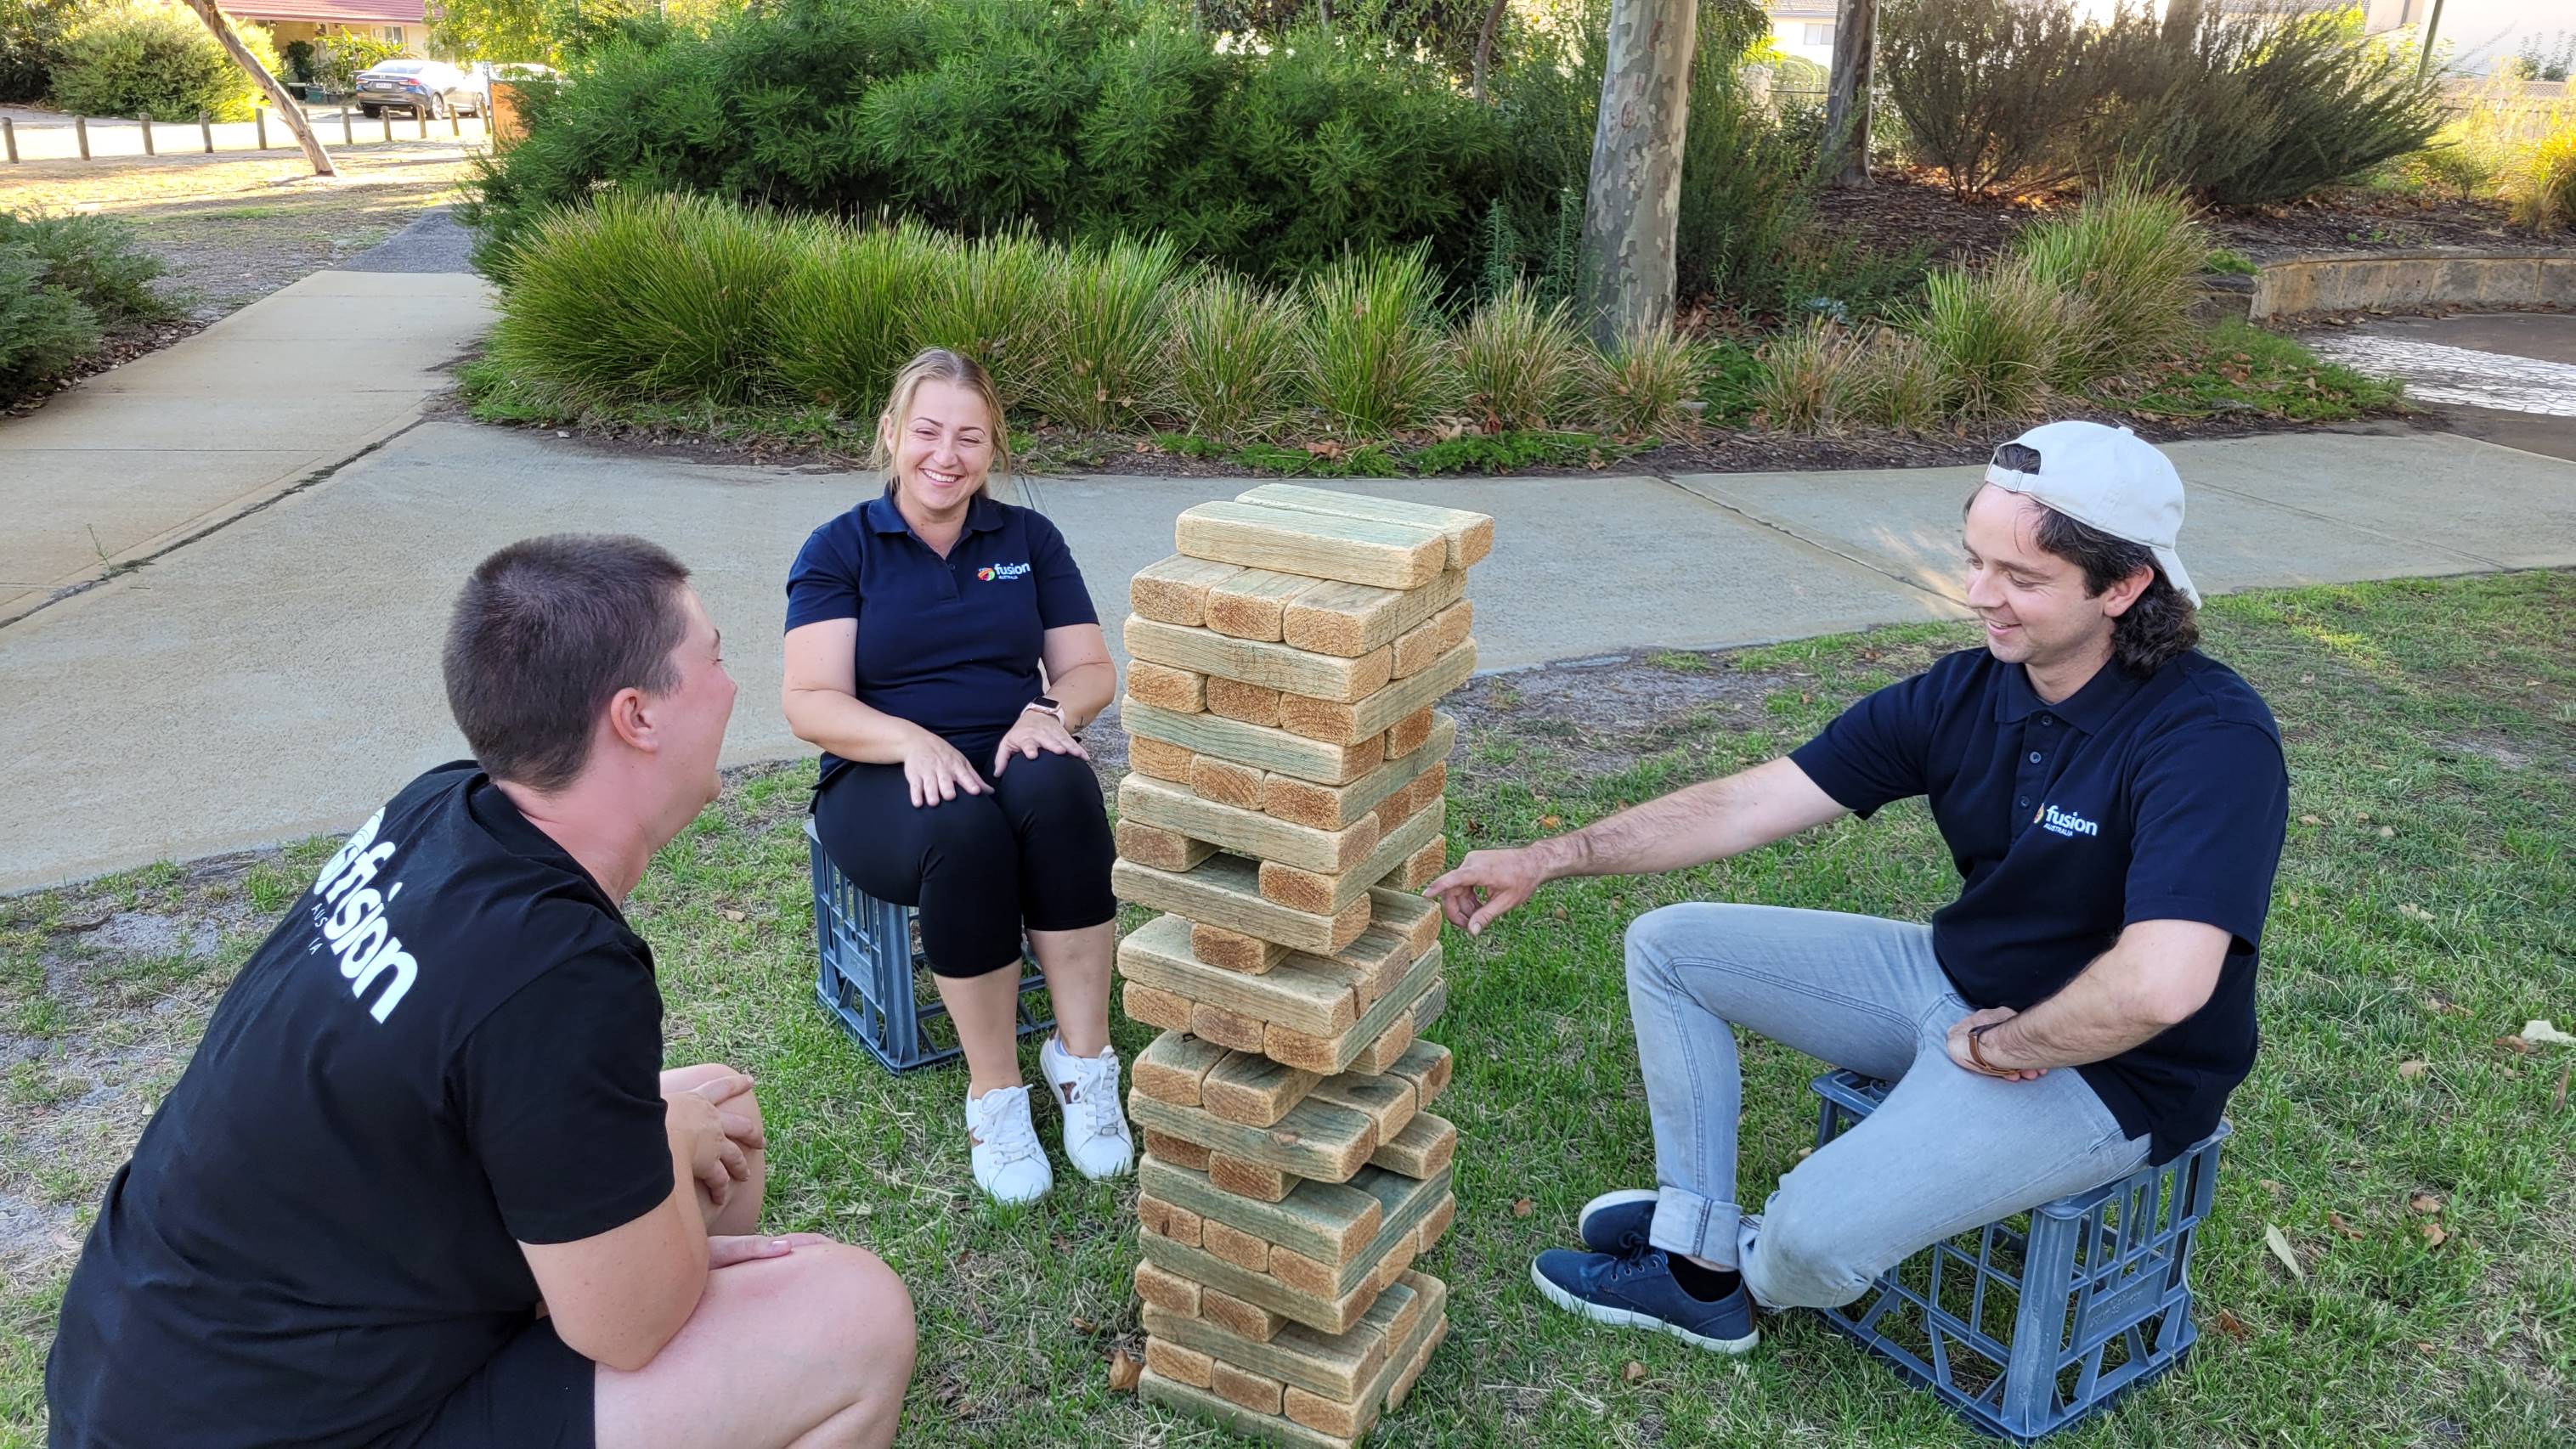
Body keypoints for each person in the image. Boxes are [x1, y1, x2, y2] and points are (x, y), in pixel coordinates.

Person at [1427, 421, 2288, 1355]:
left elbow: (2158, 986)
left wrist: (2001, 1045)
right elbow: (1752, 801)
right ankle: (1693, 1250)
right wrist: (1546, 856)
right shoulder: (1968, 691)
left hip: (2108, 1070)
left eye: (2020, 579)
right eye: (1974, 560)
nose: (1977, 595)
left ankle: (1738, 1261)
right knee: (1670, 944)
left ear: (2122, 586)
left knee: (1809, 1239)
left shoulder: (2207, 736)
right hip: (1950, 981)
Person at [46, 535, 917, 1449]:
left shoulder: (439, 809)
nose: (734, 686)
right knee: (847, 1316)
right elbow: (627, 1328)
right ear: (637, 716)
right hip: (284, 1421)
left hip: (155, 1364)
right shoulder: (554, 967)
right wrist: (658, 1149)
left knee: (719, 1106)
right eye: (713, 659)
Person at [782, 347, 1128, 1206]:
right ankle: (995, 1094)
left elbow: (1089, 669)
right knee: (964, 830)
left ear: (992, 448)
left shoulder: (1025, 540)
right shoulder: (841, 548)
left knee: (1063, 792)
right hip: (879, 770)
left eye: (969, 437)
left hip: (1008, 742)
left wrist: (1048, 714)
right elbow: (810, 700)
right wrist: (907, 739)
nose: (947, 455)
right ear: (892, 434)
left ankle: (1082, 1064)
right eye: (927, 431)